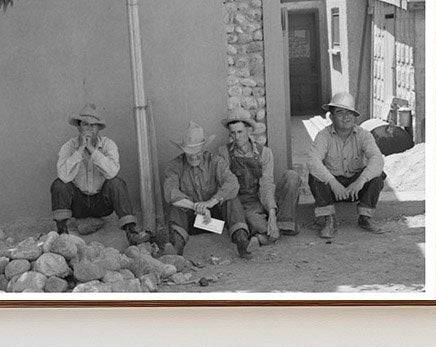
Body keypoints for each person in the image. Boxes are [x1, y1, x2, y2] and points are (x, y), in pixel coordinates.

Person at [50, 103, 149, 245]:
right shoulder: (69, 147)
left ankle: (131, 232)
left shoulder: (109, 145)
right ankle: (62, 233)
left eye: (93, 125)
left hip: (101, 203)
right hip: (78, 204)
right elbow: (64, 176)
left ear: (98, 129)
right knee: (59, 185)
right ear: (78, 127)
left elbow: (112, 172)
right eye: (85, 124)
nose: (89, 129)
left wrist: (92, 151)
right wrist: (80, 151)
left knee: (117, 183)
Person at [163, 120, 254, 259]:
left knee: (231, 199)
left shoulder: (215, 161)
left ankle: (242, 241)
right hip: (190, 221)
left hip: (213, 221)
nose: (194, 156)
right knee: (176, 208)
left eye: (197, 152)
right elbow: (171, 192)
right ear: (183, 151)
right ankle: (176, 247)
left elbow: (232, 183)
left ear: (203, 149)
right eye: (189, 153)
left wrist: (209, 203)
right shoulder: (174, 166)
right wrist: (197, 207)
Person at [307, 92, 386, 240]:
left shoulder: (364, 135)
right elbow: (313, 161)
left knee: (378, 175)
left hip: (355, 189)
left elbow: (377, 159)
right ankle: (328, 220)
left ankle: (365, 217)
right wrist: (333, 183)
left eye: (350, 113)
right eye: (340, 113)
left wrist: (360, 181)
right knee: (315, 176)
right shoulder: (323, 136)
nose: (346, 117)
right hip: (332, 190)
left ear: (355, 116)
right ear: (331, 117)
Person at [218, 106, 301, 243]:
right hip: (244, 204)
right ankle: (266, 231)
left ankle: (282, 223)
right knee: (261, 228)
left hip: (263, 198)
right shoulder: (224, 153)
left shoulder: (265, 152)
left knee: (292, 176)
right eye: (233, 133)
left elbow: (266, 184)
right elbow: (227, 186)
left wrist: (272, 212)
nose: (237, 137)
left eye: (240, 132)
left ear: (249, 130)